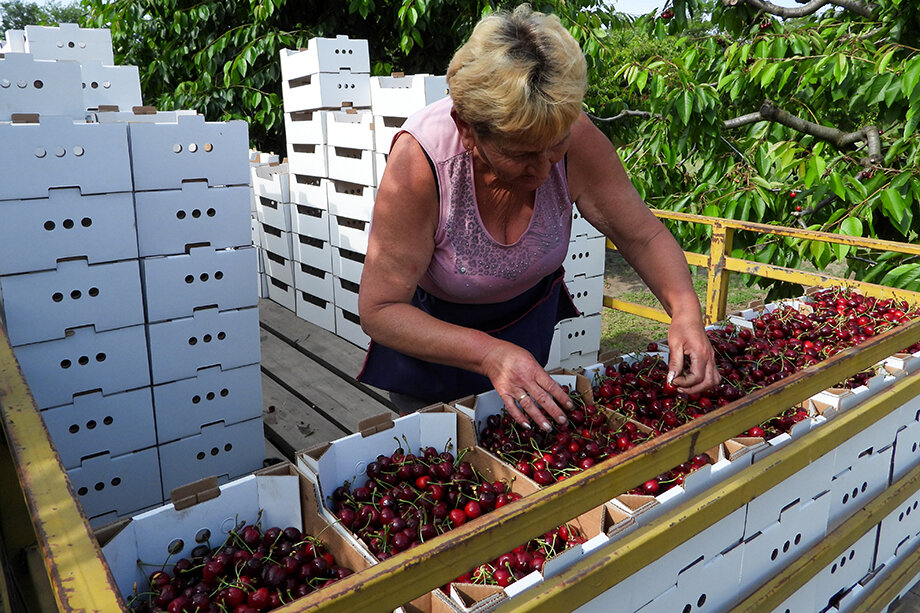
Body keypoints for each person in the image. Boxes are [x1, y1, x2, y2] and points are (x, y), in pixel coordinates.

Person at [357, 4, 719, 430]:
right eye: (523, 154)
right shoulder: (423, 164)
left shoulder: (572, 135)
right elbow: (380, 309)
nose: (546, 170)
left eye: (556, 146)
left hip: (525, 330)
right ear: (468, 128)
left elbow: (642, 236)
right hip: (434, 346)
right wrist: (491, 353)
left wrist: (685, 312)